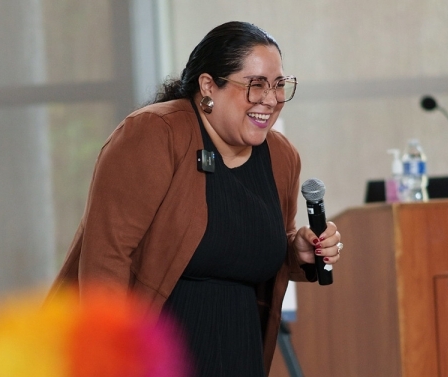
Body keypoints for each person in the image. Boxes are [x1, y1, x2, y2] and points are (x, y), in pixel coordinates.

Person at [49, 21, 342, 377]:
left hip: (241, 357)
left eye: (280, 85)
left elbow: (248, 250)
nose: (271, 99)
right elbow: (105, 260)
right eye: (256, 85)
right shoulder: (155, 133)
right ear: (208, 86)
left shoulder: (282, 158)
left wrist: (296, 251)